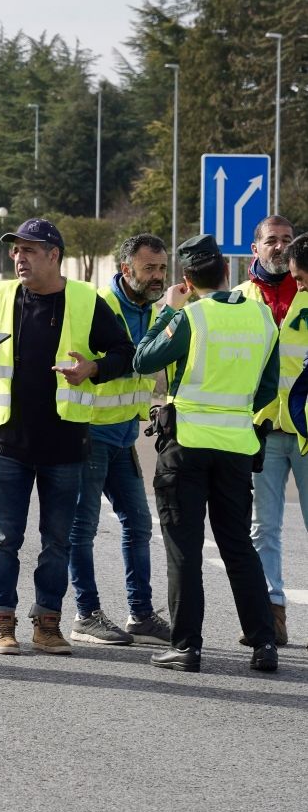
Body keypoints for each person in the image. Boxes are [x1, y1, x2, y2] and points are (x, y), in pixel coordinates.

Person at [0, 219, 135, 655]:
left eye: (29, 250)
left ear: (53, 255)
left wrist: (92, 369)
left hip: (65, 444)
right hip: (9, 440)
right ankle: (1, 622)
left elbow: (125, 353)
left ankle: (47, 624)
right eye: (15, 250)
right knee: (5, 537)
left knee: (56, 541)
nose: (18, 258)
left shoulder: (87, 299)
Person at [133, 234, 279, 673]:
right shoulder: (262, 318)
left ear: (187, 280)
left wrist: (169, 311)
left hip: (187, 448)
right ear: (228, 273)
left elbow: (144, 358)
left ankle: (187, 646)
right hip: (237, 446)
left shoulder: (191, 317)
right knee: (238, 546)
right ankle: (263, 644)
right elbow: (268, 389)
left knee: (184, 549)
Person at [64, 234, 174, 647]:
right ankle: (86, 614)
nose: (157, 276)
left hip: (124, 435)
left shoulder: (153, 310)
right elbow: (117, 361)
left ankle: (141, 615)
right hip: (91, 434)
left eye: (162, 268)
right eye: (149, 268)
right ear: (126, 269)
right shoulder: (99, 307)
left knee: (139, 524)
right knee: (82, 529)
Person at [235, 215, 301, 645]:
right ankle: (272, 613)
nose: (279, 247)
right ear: (254, 250)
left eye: (287, 240)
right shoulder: (239, 299)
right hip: (260, 430)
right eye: (271, 241)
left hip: (306, 431)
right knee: (264, 528)